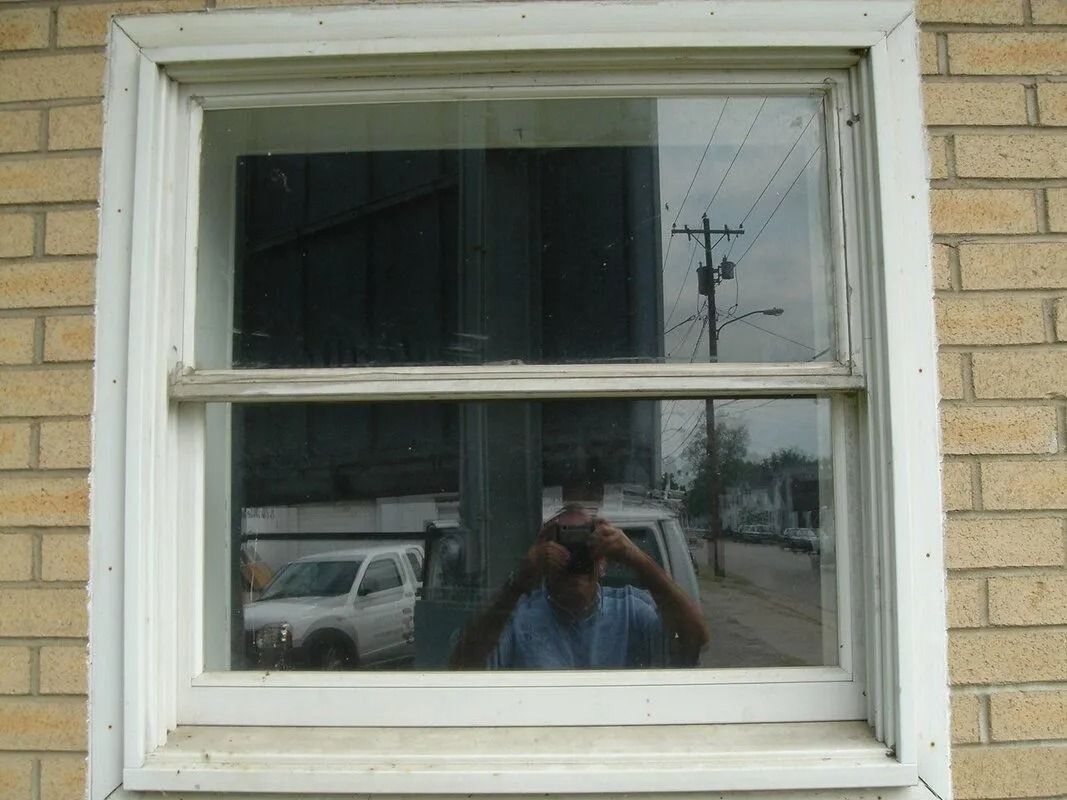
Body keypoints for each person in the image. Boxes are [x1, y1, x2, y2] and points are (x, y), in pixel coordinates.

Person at [449, 506, 709, 669]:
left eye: (584, 546)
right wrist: (518, 582)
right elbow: (462, 667)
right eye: (563, 544)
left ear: (603, 562)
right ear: (542, 556)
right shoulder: (519, 618)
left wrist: (638, 559)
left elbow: (694, 642)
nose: (574, 557)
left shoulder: (631, 611)